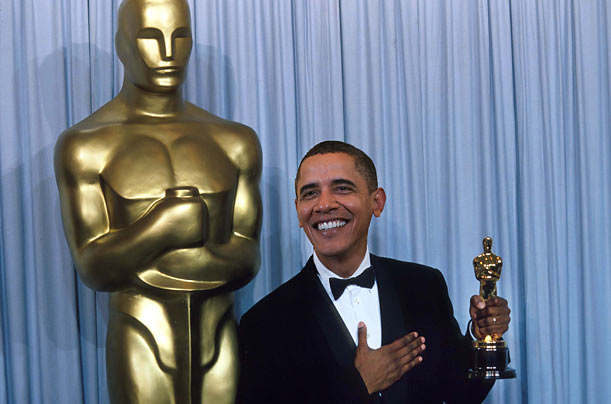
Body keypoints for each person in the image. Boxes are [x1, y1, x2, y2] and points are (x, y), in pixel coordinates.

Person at [54, 0, 262, 402]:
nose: (168, 53)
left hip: (220, 331)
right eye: (151, 37)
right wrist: (163, 229)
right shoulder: (86, 146)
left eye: (180, 37)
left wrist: (156, 258)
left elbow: (249, 259)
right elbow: (94, 268)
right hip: (140, 331)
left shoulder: (235, 141)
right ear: (122, 45)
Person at [238, 141, 510, 403]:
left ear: (377, 202)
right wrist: (360, 385)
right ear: (298, 209)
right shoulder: (264, 323)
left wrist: (482, 338)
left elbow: (461, 394)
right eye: (310, 193)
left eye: (342, 188)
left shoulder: (424, 286)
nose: (324, 204)